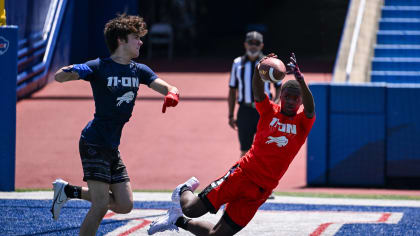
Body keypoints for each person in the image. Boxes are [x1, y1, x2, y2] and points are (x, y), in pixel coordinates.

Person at [147, 53, 315, 235]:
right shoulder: (269, 111)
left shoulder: (302, 123)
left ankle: (177, 220)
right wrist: (259, 71)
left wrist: (301, 81)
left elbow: (311, 108)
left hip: (262, 190)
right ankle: (183, 190)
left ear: (300, 102)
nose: (290, 101)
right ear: (280, 95)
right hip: (242, 175)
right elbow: (258, 93)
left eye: (295, 99)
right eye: (287, 96)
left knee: (217, 235)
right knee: (191, 209)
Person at [50, 14, 180, 236]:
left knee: (124, 204)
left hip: (111, 146)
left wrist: (172, 94)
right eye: (135, 37)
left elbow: (168, 87)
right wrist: (73, 69)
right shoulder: (99, 67)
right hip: (94, 141)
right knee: (100, 205)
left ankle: (67, 191)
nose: (140, 42)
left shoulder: (139, 70)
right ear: (121, 40)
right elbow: (58, 77)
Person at [228, 31, 281, 158]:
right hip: (245, 110)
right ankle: (244, 177)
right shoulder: (237, 63)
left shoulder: (269, 64)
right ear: (245, 44)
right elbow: (232, 90)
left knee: (265, 149)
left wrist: (275, 105)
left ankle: (262, 178)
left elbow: (279, 87)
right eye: (250, 43)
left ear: (261, 45)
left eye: (256, 43)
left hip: (264, 112)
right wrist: (230, 114)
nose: (253, 46)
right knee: (245, 151)